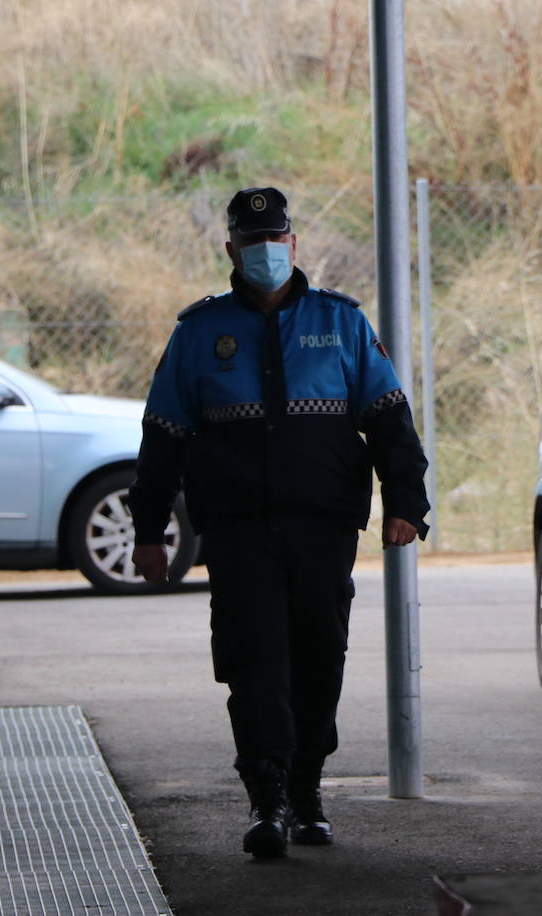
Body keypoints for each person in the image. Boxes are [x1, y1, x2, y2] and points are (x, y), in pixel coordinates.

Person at [127, 186, 430, 859]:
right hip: (237, 531)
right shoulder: (199, 334)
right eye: (253, 243)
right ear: (231, 249)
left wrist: (407, 501)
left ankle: (308, 789)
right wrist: (149, 531)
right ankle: (266, 799)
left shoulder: (342, 323)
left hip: (323, 530)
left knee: (319, 658)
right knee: (254, 660)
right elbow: (163, 437)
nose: (266, 253)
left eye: (277, 241)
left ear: (294, 245)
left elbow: (388, 421)